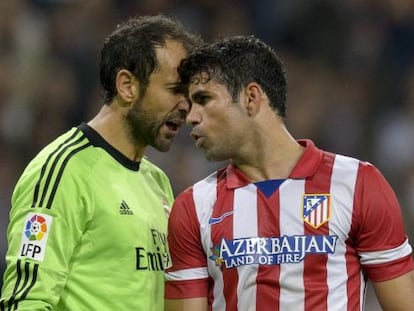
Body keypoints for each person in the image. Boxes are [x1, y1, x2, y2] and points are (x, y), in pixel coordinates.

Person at [164, 36, 414, 310]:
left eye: (204, 99)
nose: (191, 117)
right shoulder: (194, 206)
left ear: (251, 98)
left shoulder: (356, 183)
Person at [0, 14, 200, 310]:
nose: (185, 105)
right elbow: (25, 302)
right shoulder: (64, 170)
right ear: (127, 86)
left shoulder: (156, 181)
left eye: (188, 94)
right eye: (174, 90)